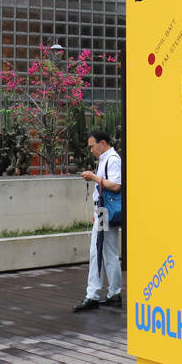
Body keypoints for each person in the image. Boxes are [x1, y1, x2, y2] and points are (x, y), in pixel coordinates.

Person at [73, 130, 123, 312]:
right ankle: (113, 294)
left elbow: (116, 185)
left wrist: (93, 177)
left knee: (97, 251)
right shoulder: (106, 159)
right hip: (103, 210)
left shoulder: (112, 159)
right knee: (107, 252)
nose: (91, 150)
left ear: (102, 143)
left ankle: (93, 295)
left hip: (105, 211)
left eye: (92, 146)